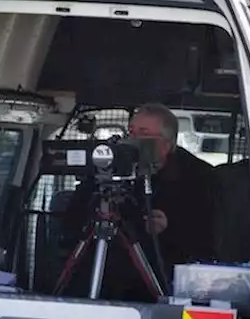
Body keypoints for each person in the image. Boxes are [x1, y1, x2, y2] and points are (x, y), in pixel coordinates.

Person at [58, 102, 216, 301]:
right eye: (131, 132)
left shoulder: (196, 177)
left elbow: (208, 236)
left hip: (161, 277)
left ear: (166, 145)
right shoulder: (106, 167)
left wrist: (170, 226)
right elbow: (72, 220)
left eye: (143, 133)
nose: (133, 140)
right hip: (99, 270)